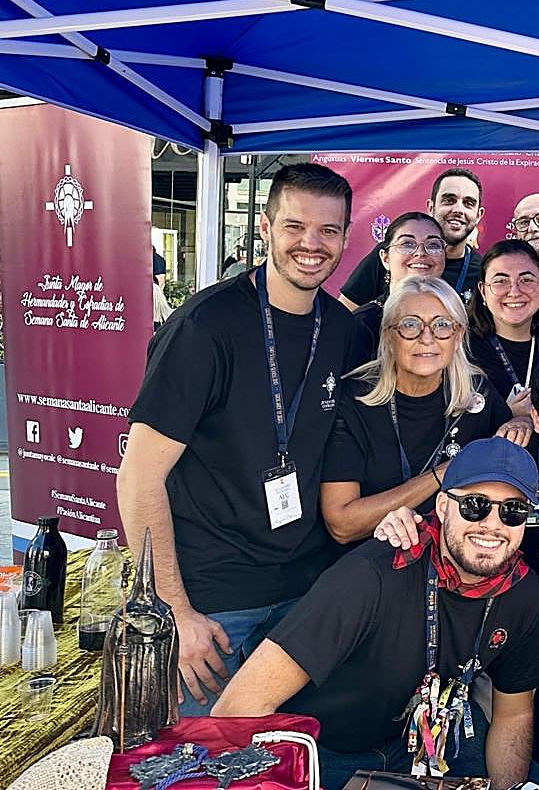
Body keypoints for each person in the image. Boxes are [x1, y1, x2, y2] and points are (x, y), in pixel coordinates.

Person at [117, 162, 355, 714]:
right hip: (212, 606)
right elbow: (139, 474)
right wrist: (173, 610)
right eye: (294, 226)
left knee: (283, 763)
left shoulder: (341, 329)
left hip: (302, 599)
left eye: (328, 230)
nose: (311, 244)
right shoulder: (205, 327)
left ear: (346, 237)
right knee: (197, 766)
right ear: (266, 228)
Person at [212, 437, 539, 790]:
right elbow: (238, 707)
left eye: (513, 511)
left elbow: (514, 713)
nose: (493, 525)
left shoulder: (523, 594)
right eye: (474, 506)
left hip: (431, 741)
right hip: (327, 751)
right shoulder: (370, 576)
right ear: (442, 506)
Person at [376, 351, 539, 790]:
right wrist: (400, 521)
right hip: (496, 629)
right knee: (494, 753)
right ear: (537, 419)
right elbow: (454, 516)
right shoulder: (507, 465)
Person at [322, 276, 518, 549]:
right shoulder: (354, 399)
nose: (427, 338)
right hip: (373, 564)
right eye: (410, 325)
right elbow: (342, 524)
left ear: (458, 334)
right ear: (389, 334)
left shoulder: (477, 393)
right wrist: (443, 474)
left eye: (441, 325)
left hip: (452, 561)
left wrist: (521, 422)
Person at [338, 167, 486, 308]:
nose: (458, 210)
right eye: (449, 200)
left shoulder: (483, 272)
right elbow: (346, 312)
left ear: (478, 215)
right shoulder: (395, 253)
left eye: (468, 203)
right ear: (431, 207)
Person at [467, 239, 539, 418]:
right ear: (483, 291)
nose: (514, 291)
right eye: (501, 281)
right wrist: (505, 414)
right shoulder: (463, 350)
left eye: (526, 280)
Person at [347, 211, 447, 365]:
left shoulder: (454, 319)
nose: (420, 253)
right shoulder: (361, 325)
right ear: (385, 258)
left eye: (433, 245)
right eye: (407, 244)